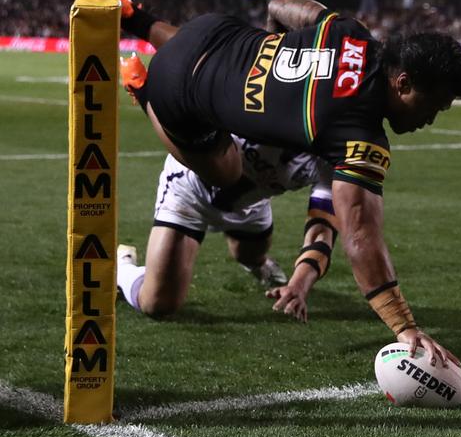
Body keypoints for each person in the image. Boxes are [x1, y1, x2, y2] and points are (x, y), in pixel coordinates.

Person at [108, 0, 461, 366]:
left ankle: (137, 18)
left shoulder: (352, 32)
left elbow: (279, 6)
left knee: (250, 249)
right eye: (433, 107)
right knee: (224, 179)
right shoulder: (357, 139)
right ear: (402, 83)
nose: (430, 119)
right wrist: (405, 327)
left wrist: (272, 47)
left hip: (213, 34)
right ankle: (144, 90)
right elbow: (361, 234)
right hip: (184, 119)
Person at [117, 56, 337, 323]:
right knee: (158, 304)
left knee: (250, 255)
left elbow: (323, 227)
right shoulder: (259, 94)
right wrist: (145, 93)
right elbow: (187, 118)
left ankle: (259, 265)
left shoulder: (335, 153)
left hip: (251, 202)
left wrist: (299, 283)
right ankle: (123, 267)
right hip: (191, 190)